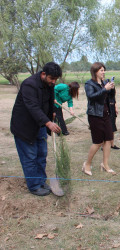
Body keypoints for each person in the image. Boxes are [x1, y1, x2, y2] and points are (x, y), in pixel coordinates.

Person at [10, 62, 62, 196]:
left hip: (40, 126)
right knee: (30, 157)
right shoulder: (29, 84)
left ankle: (41, 181)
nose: (53, 82)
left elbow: (49, 101)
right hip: (24, 127)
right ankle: (34, 186)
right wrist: (48, 122)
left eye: (55, 79)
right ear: (43, 74)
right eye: (51, 78)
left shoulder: (49, 84)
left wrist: (51, 114)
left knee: (41, 155)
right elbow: (32, 107)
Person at [82, 62, 116, 176]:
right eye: (101, 70)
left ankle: (105, 164)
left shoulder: (104, 82)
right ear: (95, 72)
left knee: (108, 140)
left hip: (106, 114)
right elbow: (91, 97)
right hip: (95, 115)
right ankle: (87, 164)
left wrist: (111, 88)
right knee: (97, 142)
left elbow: (110, 96)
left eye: (104, 70)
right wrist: (104, 89)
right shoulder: (89, 84)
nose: (103, 72)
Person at [108, 81, 120, 150]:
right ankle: (104, 145)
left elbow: (114, 101)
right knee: (107, 128)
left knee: (112, 128)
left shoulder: (112, 94)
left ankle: (112, 144)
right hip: (107, 111)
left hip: (112, 110)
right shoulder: (105, 93)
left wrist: (116, 108)